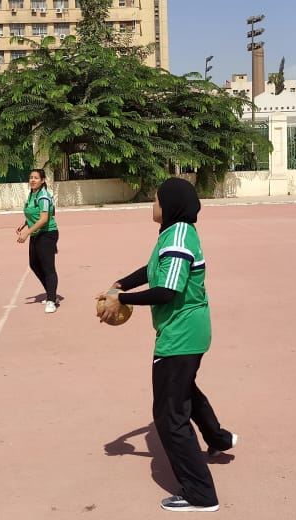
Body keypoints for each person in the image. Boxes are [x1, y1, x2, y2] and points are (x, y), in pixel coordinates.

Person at [96, 177, 236, 513]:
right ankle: (219, 438)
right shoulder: (174, 233)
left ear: (170, 205)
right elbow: (155, 269)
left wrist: (121, 300)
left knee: (169, 416)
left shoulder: (179, 237)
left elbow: (168, 291)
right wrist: (121, 283)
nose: (153, 204)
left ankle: (201, 495)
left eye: (157, 200)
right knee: (185, 390)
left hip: (180, 336)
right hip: (189, 331)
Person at [16, 168, 60, 313]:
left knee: (48, 268)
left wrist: (27, 233)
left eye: (36, 178)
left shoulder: (43, 196)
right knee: (34, 264)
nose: (32, 180)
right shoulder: (32, 194)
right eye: (31, 177)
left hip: (47, 234)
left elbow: (44, 218)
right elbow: (33, 213)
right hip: (36, 233)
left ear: (42, 180)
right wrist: (24, 224)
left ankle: (51, 300)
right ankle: (52, 293)